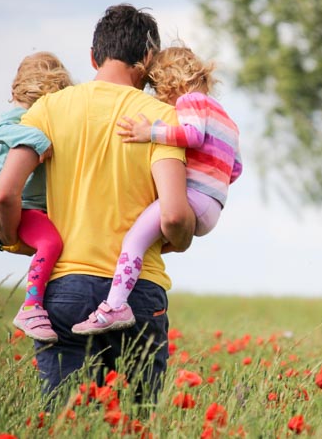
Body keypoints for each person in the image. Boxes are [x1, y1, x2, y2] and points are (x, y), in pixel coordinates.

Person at [0, 4, 195, 402]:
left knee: (66, 420)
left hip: (63, 289)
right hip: (137, 292)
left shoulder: (47, 109)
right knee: (134, 423)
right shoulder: (161, 119)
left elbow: (4, 194)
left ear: (92, 56)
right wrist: (182, 237)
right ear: (149, 58)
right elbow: (173, 215)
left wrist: (13, 237)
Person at [72, 45, 242, 335]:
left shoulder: (191, 101)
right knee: (149, 239)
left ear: (170, 81)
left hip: (193, 198)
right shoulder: (226, 118)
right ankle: (124, 290)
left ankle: (115, 306)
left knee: (134, 240)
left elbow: (192, 135)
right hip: (213, 206)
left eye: (158, 88)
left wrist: (149, 132)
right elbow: (235, 169)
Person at [0, 52, 72, 343]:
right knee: (51, 243)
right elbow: (1, 130)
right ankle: (31, 306)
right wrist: (39, 140)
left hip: (40, 207)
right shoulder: (17, 118)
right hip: (24, 207)